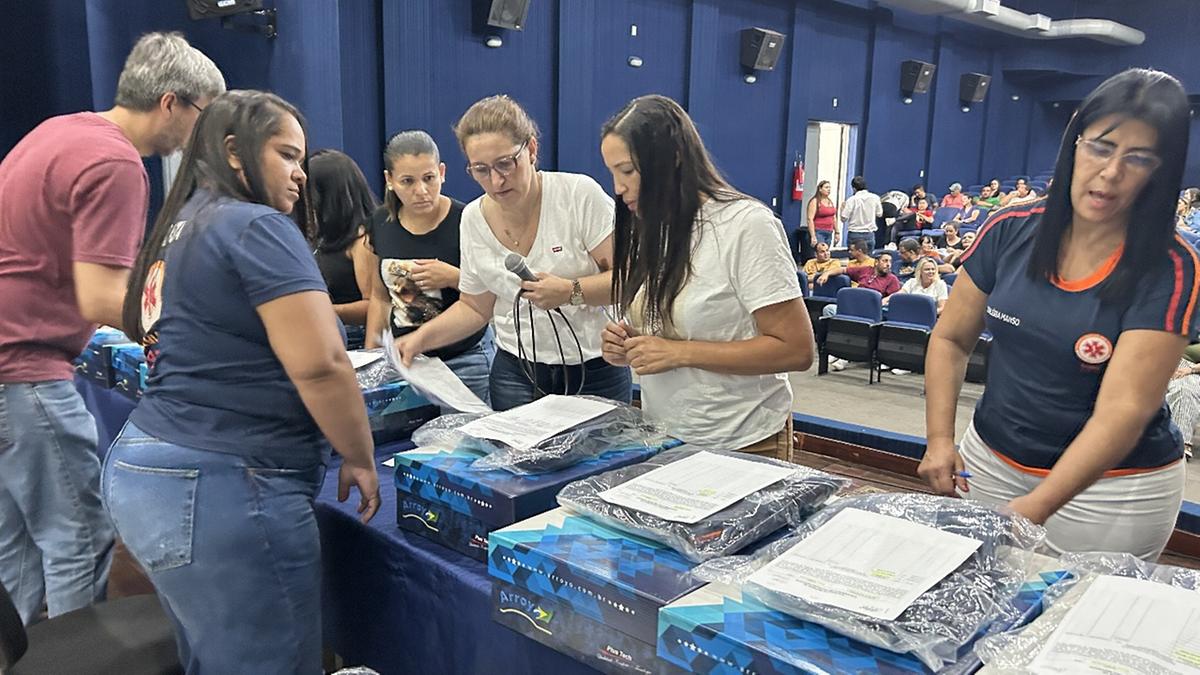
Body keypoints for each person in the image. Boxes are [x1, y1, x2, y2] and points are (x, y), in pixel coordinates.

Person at [105, 91, 380, 674]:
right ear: (235, 152)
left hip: (154, 466)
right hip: (227, 478)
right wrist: (358, 454)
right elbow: (323, 364)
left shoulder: (181, 224)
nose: (301, 174)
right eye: (287, 155)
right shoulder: (255, 225)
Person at [918, 69, 1197, 560]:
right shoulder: (1009, 228)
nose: (1111, 173)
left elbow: (1124, 411)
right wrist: (939, 439)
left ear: (1162, 169)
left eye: (1139, 159)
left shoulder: (1171, 266)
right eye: (1102, 148)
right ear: (1075, 141)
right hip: (991, 460)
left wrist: (1036, 507)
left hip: (1110, 491)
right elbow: (951, 339)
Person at [0, 32, 223, 625]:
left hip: (7, 365)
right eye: (205, 116)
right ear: (173, 103)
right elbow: (101, 297)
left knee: (17, 548)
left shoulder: (59, 131)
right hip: (25, 371)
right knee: (78, 538)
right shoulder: (116, 162)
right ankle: (74, 665)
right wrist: (196, 317)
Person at [598, 95, 812, 456]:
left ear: (674, 159)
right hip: (666, 437)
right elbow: (678, 327)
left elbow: (796, 349)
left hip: (744, 443)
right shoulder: (653, 228)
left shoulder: (745, 226)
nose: (618, 188)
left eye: (628, 171)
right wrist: (630, 343)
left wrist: (679, 353)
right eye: (613, 173)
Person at [394, 95, 630, 410]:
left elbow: (629, 282)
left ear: (531, 150)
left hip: (596, 366)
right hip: (517, 372)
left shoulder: (578, 196)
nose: (496, 180)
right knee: (518, 458)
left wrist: (571, 291)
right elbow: (476, 308)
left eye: (506, 163)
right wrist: (420, 340)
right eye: (481, 170)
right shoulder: (474, 218)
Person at [363, 130, 491, 403]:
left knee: (467, 441)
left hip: (464, 358)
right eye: (407, 181)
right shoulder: (382, 221)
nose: (421, 191)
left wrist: (453, 277)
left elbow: (491, 294)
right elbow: (380, 296)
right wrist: (371, 355)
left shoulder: (467, 219)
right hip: (406, 361)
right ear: (389, 181)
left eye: (429, 178)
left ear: (442, 172)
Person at [308, 149, 377, 339]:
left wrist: (325, 311)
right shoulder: (325, 234)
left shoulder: (364, 239)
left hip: (355, 337)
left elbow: (374, 305)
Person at [840, 176, 882, 249]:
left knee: (854, 259)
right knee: (869, 259)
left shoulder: (851, 200)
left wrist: (842, 208)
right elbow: (879, 214)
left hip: (854, 233)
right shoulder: (875, 198)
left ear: (854, 188)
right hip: (869, 233)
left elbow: (844, 218)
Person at [807, 180, 838, 248]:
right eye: (826, 187)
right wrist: (813, 235)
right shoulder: (815, 201)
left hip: (829, 231)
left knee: (826, 251)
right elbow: (810, 219)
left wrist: (837, 232)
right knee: (820, 250)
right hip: (819, 231)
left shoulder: (830, 201)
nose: (829, 189)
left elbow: (834, 217)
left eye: (829, 188)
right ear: (820, 189)